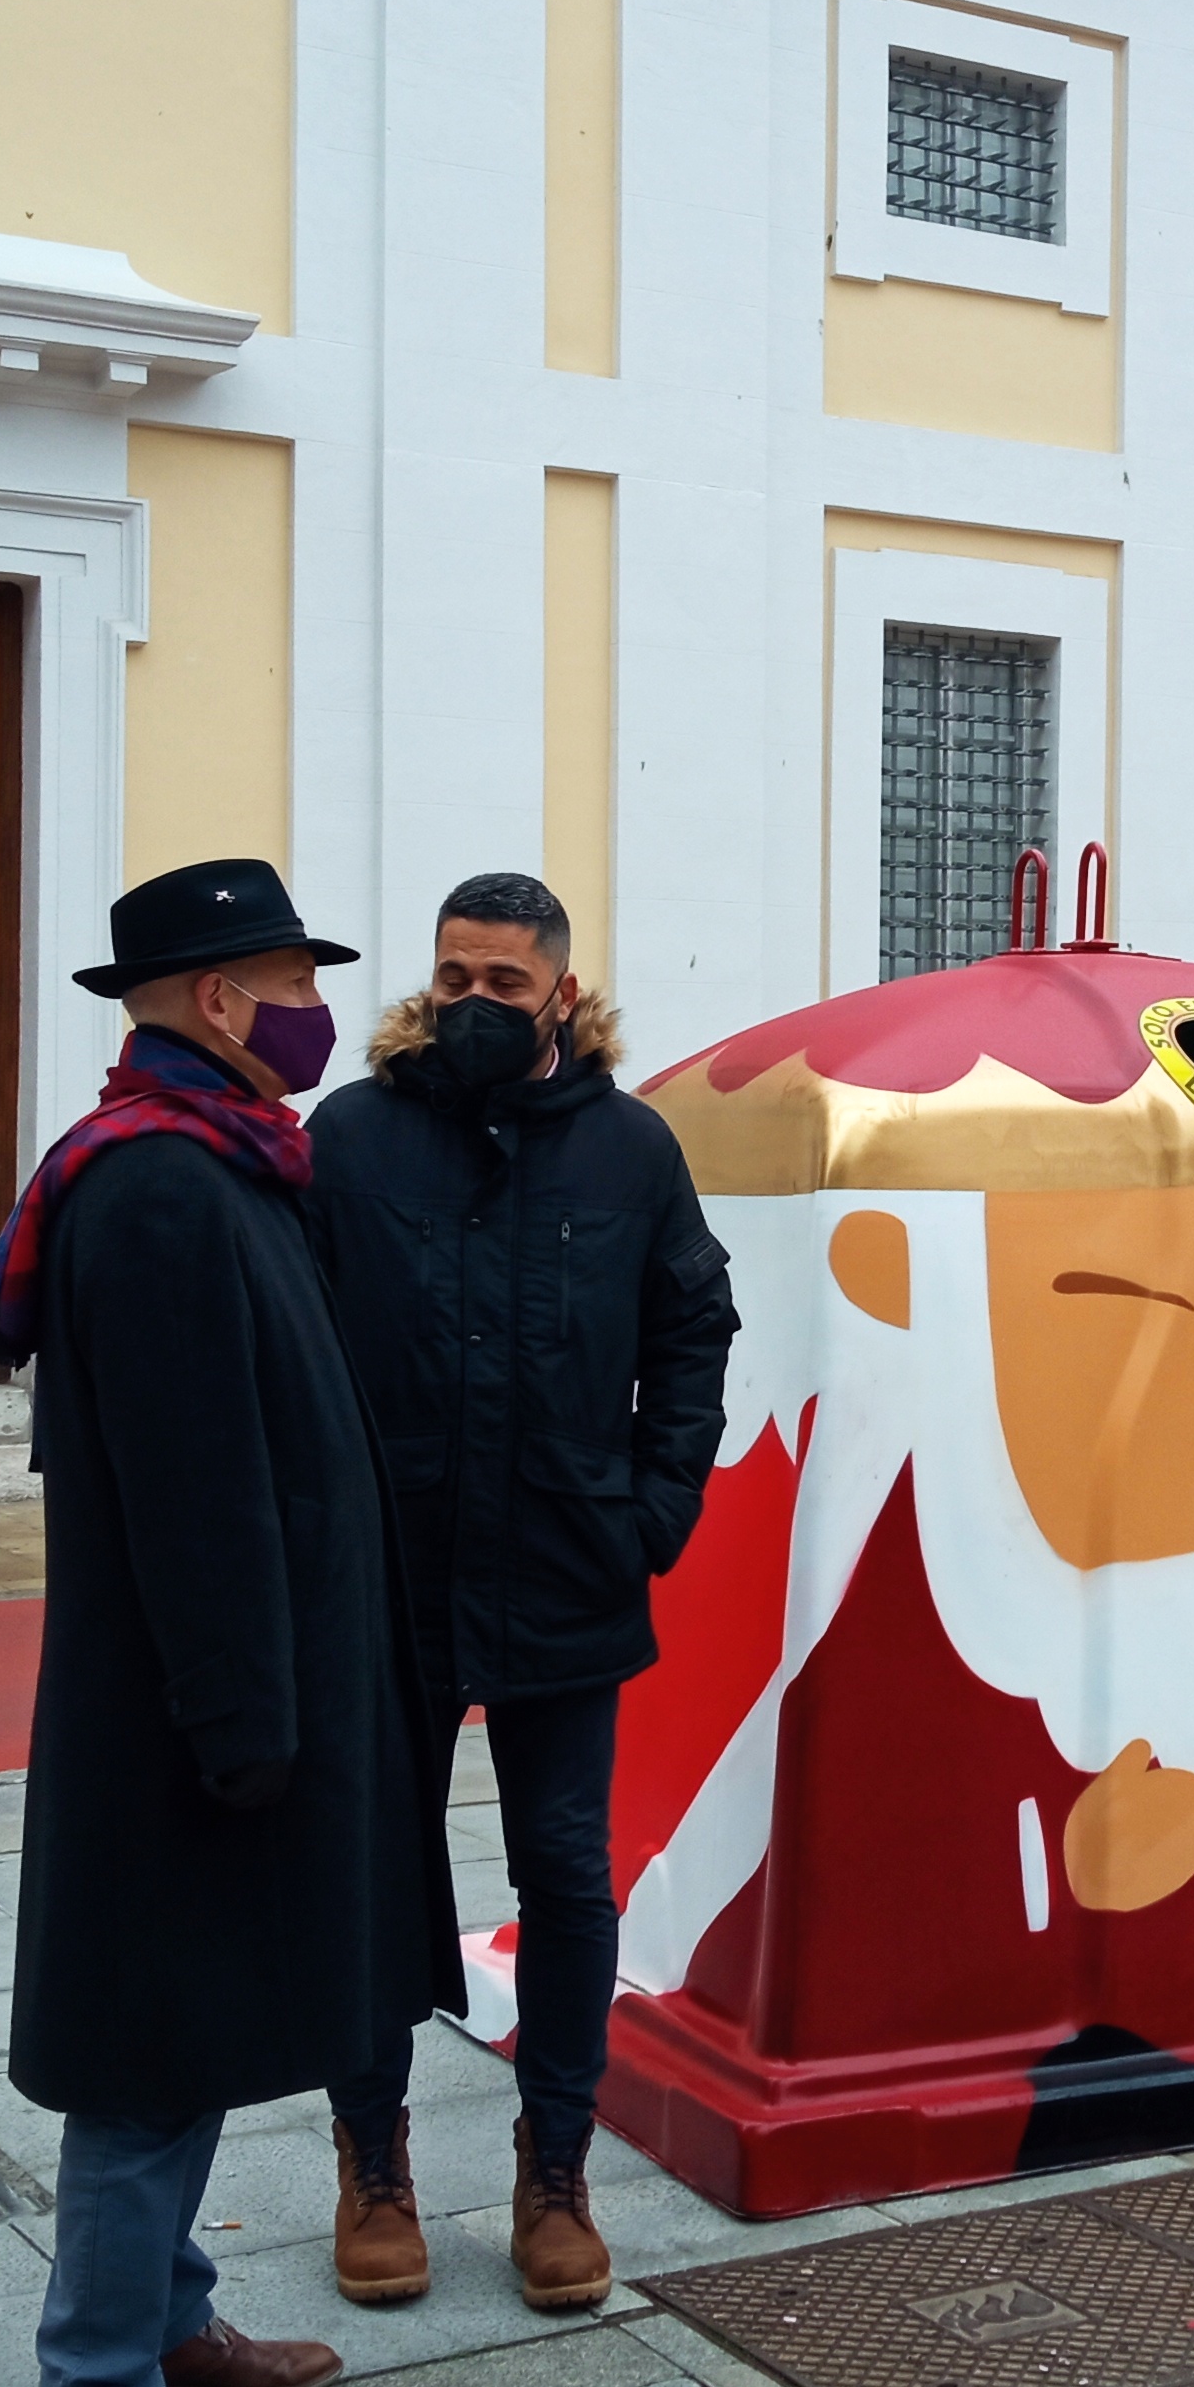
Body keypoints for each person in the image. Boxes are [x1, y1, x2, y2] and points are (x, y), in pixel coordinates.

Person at [0, 859, 458, 2387]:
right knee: (156, 2041)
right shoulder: (159, 1186)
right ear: (221, 1000)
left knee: (201, 2012)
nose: (317, 1011)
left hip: (242, 1682)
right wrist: (242, 1716)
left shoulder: (226, 1158)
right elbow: (192, 1487)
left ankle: (166, 2319)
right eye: (293, 981)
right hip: (193, 1706)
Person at [300, 872, 737, 2313]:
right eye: (454, 978)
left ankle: (556, 2172)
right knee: (374, 1872)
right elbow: (291, 1333)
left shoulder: (630, 1149)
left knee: (565, 1872)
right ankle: (375, 2166)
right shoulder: (353, 1137)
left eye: (503, 982)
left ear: (561, 992)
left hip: (566, 1563)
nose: (473, 1003)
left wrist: (656, 1509)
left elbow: (692, 1326)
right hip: (389, 1577)